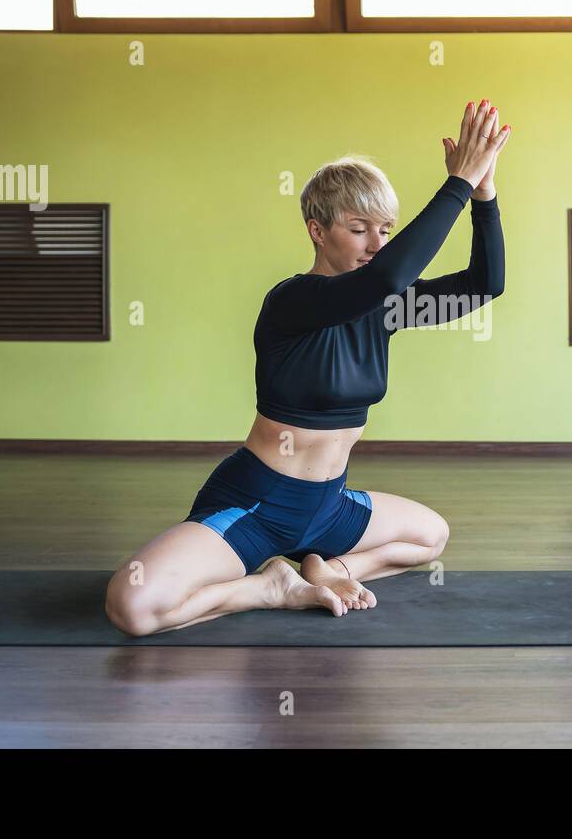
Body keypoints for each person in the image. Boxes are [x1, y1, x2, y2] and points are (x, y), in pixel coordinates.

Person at [105, 100, 511, 635]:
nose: (376, 245)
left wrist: (483, 193)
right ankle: (269, 587)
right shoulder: (292, 302)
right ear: (318, 231)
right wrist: (456, 183)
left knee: (431, 536)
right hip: (258, 504)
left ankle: (326, 568)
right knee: (132, 607)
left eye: (384, 230)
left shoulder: (385, 310)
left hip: (330, 508)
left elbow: (486, 284)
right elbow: (386, 278)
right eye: (359, 228)